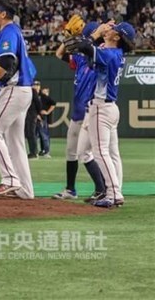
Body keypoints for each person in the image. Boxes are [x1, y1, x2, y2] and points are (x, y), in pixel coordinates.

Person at [66, 21, 135, 208]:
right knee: (93, 152)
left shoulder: (109, 54)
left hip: (101, 107)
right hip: (107, 107)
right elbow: (83, 49)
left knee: (101, 152)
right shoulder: (113, 53)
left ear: (117, 37)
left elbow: (82, 46)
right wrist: (99, 36)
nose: (108, 29)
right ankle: (111, 191)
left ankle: (113, 193)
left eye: (113, 29)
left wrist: (96, 33)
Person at [0, 0, 37, 200]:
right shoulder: (13, 32)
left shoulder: (9, 31)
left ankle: (10, 179)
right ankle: (25, 190)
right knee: (15, 141)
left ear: (3, 14)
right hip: (22, 90)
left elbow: (6, 61)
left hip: (15, 90)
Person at [52, 21, 106, 201]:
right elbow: (59, 54)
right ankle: (71, 189)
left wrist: (89, 39)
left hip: (90, 109)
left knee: (88, 153)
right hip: (78, 110)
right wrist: (68, 36)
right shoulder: (80, 58)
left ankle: (103, 189)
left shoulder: (99, 57)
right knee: (71, 151)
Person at [37, 85, 56, 157]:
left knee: (44, 134)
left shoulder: (44, 97)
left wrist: (47, 112)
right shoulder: (36, 95)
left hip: (42, 117)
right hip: (35, 116)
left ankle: (47, 151)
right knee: (39, 135)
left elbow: (53, 103)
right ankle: (42, 150)